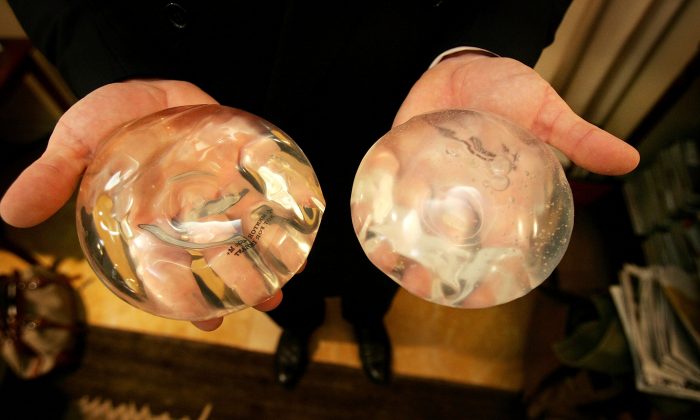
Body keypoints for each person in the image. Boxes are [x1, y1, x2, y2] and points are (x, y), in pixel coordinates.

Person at [1, 0, 639, 388]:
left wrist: (479, 43)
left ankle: (367, 326)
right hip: (211, 121)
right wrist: (117, 71)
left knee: (390, 265)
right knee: (263, 277)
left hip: (410, 108)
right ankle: (298, 330)